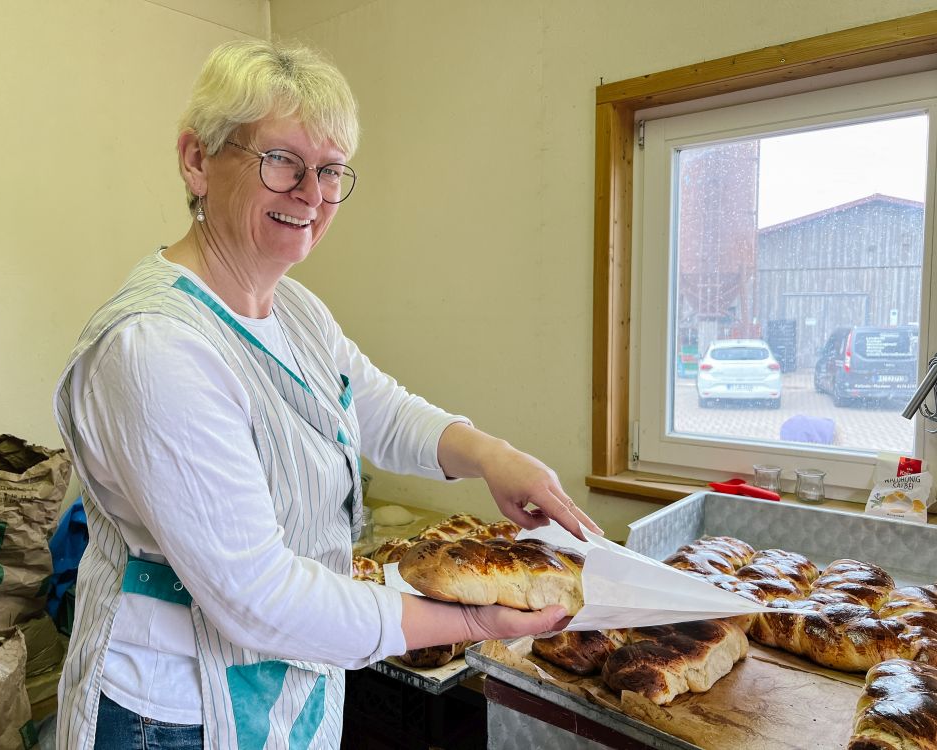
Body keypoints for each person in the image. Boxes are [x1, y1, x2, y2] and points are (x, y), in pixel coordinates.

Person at [52, 39, 601, 750]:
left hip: (287, 683)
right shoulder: (154, 347)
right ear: (196, 159)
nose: (311, 194)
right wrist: (471, 623)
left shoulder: (296, 310)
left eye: (332, 170)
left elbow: (374, 406)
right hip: (169, 715)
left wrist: (492, 457)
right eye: (282, 162)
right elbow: (258, 597)